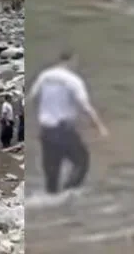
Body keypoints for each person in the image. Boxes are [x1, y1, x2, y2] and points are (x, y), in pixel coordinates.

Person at [27, 50, 108, 194]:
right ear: (72, 61)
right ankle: (68, 194)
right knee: (81, 162)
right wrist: (99, 126)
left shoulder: (44, 76)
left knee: (52, 173)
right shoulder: (73, 80)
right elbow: (85, 106)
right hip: (64, 130)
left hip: (46, 130)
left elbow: (32, 98)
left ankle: (51, 202)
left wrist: (37, 122)